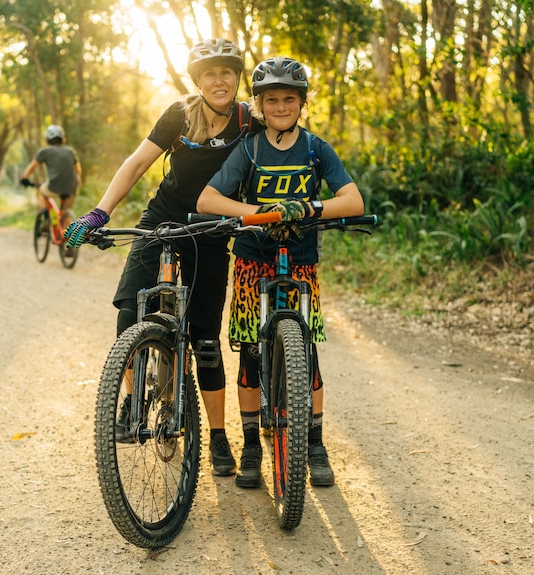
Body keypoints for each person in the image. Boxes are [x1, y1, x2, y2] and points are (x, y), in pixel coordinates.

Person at [65, 38, 261, 477]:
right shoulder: (180, 114)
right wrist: (101, 211)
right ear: (197, 80)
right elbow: (137, 163)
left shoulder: (250, 119)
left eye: (226, 72)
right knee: (128, 312)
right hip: (163, 220)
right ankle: (134, 398)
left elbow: (274, 159)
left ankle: (216, 436)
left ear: (236, 77)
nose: (219, 80)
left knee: (206, 341)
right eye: (209, 73)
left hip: (213, 231)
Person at [196, 56, 365, 489]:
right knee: (251, 351)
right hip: (254, 259)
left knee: (306, 351)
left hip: (301, 259)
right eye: (272, 100)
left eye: (289, 98)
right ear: (259, 105)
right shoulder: (249, 148)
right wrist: (256, 213)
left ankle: (314, 443)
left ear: (301, 102)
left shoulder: (314, 148)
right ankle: (252, 444)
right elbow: (208, 201)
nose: (281, 106)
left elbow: (353, 201)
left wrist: (311, 206)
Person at [20, 125, 81, 230]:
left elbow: (32, 167)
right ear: (62, 138)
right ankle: (69, 239)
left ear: (48, 139)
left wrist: (24, 178)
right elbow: (78, 170)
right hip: (72, 186)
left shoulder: (45, 152)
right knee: (65, 217)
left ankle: (47, 217)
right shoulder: (70, 151)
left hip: (54, 185)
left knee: (42, 192)